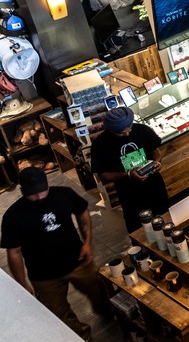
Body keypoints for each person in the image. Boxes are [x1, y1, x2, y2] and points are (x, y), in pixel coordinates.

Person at [0, 168, 110, 340]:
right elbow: (13, 251)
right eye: (32, 194)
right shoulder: (12, 217)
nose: (39, 197)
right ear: (22, 191)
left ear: (48, 183)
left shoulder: (64, 194)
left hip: (78, 261)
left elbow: (82, 212)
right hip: (44, 277)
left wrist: (87, 243)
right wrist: (22, 283)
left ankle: (109, 315)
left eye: (42, 191)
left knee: (99, 292)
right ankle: (83, 337)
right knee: (58, 316)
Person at [92, 107, 169, 233]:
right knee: (139, 231)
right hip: (131, 197)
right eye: (121, 133)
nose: (127, 134)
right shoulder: (101, 144)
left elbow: (156, 153)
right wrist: (128, 174)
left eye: (129, 129)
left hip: (156, 189)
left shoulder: (143, 130)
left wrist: (157, 163)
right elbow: (104, 175)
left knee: (165, 222)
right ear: (111, 130)